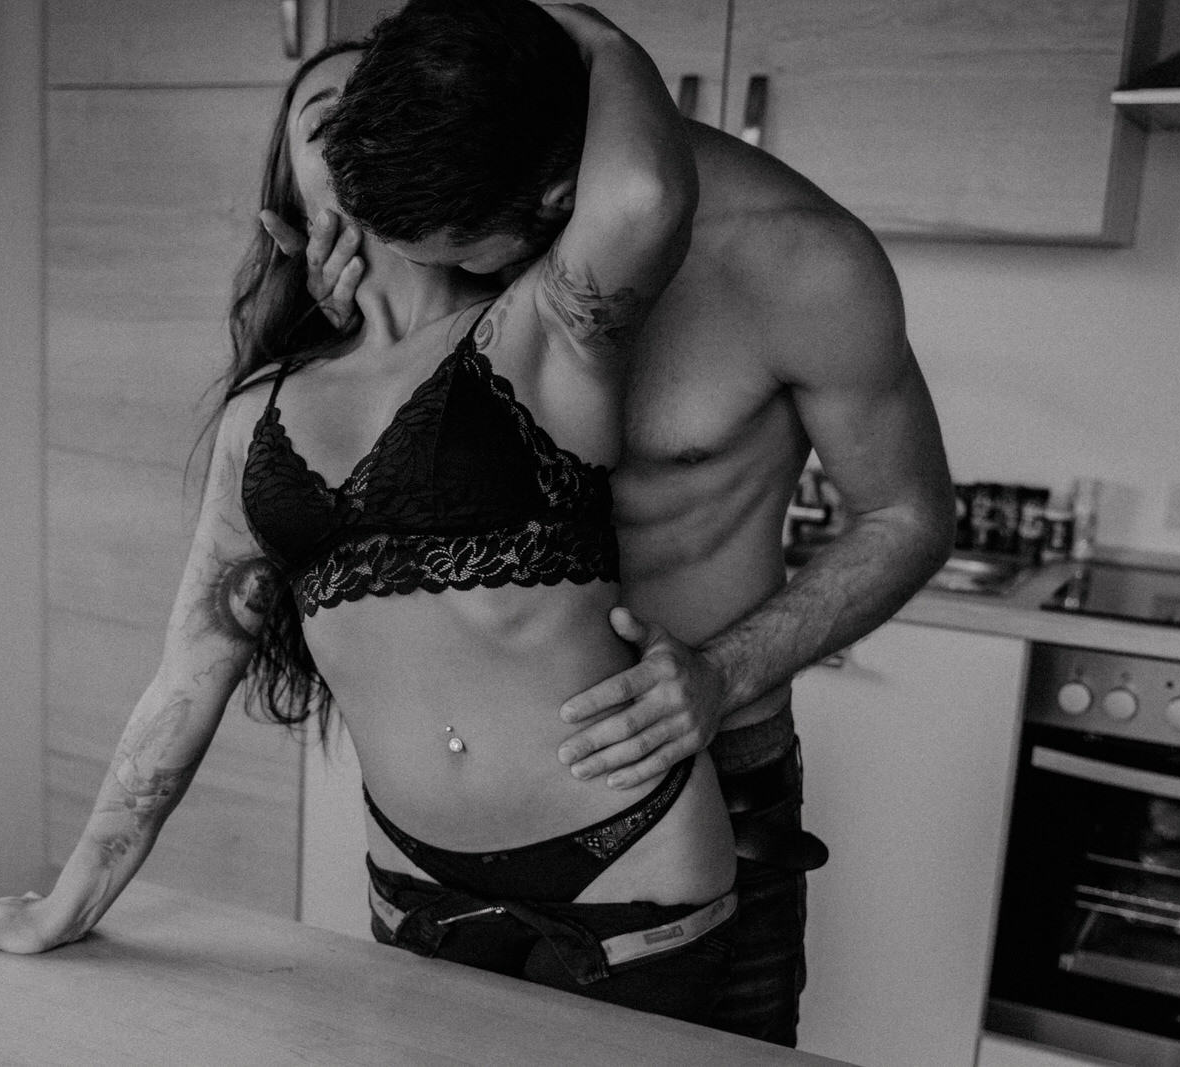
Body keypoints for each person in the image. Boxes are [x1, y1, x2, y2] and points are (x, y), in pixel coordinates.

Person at [0, 5, 748, 1026]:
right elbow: (186, 676)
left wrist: (581, 32)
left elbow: (646, 192)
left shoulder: (545, 330)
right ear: (287, 204)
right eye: (330, 118)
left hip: (629, 866)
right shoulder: (257, 418)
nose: (369, 127)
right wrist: (70, 903)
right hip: (417, 887)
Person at [309, 0, 957, 1047]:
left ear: (556, 202)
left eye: (466, 255)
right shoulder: (443, 227)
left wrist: (724, 673)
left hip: (708, 777)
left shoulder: (797, 260)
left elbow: (909, 513)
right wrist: (347, 336)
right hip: (459, 822)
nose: (459, 281)